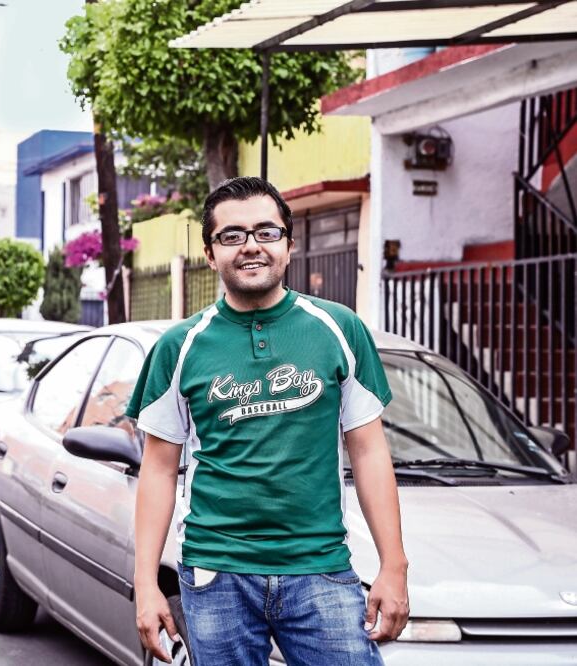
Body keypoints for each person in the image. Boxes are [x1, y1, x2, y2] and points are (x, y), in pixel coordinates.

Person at [127, 177, 409, 665]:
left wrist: (394, 565)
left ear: (289, 245)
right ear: (211, 254)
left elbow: (367, 450)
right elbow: (157, 470)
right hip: (216, 572)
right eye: (232, 236)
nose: (251, 246)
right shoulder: (179, 346)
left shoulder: (339, 329)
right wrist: (146, 584)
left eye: (266, 232)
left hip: (320, 566)